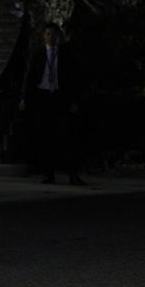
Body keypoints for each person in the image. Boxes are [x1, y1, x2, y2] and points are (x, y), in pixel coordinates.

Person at [20, 22, 86, 185]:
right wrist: (25, 98)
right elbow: (30, 77)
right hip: (43, 97)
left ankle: (73, 174)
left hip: (60, 97)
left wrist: (74, 100)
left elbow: (74, 78)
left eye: (54, 34)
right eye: (48, 34)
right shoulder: (38, 54)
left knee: (68, 135)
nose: (51, 37)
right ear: (43, 36)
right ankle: (48, 174)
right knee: (44, 136)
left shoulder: (66, 54)